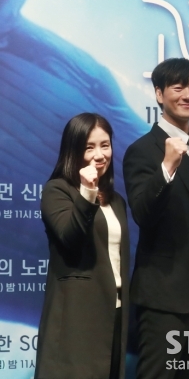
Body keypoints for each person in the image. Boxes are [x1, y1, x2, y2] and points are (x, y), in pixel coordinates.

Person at [123, 58, 189, 378]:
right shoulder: (142, 150)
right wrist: (166, 167)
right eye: (178, 87)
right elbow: (142, 213)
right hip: (163, 294)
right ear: (159, 94)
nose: (188, 95)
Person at [35, 113, 130, 379]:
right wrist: (87, 193)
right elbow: (71, 238)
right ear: (74, 150)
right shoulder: (57, 190)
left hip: (115, 312)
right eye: (89, 147)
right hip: (77, 314)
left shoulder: (116, 201)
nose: (100, 155)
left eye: (105, 145)